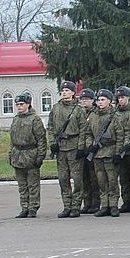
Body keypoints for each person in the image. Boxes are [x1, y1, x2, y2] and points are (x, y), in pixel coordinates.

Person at [47, 80, 89, 218]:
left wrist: (81, 147)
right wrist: (52, 143)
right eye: (62, 90)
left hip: (74, 145)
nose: (64, 92)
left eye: (67, 90)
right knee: (63, 178)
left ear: (73, 92)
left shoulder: (79, 109)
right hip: (61, 147)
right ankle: (67, 206)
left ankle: (76, 206)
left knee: (77, 179)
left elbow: (84, 129)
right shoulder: (56, 108)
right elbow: (51, 127)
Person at [9, 93, 47, 218]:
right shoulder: (16, 119)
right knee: (22, 185)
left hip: (31, 154)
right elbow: (12, 139)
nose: (19, 107)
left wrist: (41, 156)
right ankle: (24, 207)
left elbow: (41, 139)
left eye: (21, 104)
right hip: (18, 154)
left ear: (28, 104)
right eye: (17, 105)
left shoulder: (35, 119)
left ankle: (33, 207)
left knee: (33, 184)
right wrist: (11, 154)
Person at [89, 89, 125, 217]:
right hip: (97, 154)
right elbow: (88, 133)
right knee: (101, 181)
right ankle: (104, 205)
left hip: (110, 152)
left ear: (109, 101)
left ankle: (113, 205)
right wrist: (91, 146)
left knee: (112, 180)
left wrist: (117, 153)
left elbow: (120, 136)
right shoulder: (93, 116)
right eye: (98, 100)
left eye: (103, 100)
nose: (100, 102)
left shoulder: (115, 116)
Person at [114, 86, 130, 213]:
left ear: (129, 98)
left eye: (123, 97)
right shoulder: (115, 113)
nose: (121, 100)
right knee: (123, 178)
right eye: (119, 97)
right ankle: (126, 202)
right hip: (119, 149)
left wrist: (128, 143)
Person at [78, 88, 101, 214]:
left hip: (93, 149)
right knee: (84, 178)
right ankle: (87, 203)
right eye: (82, 99)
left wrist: (90, 146)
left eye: (87, 99)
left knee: (94, 178)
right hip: (81, 149)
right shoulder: (79, 112)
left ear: (93, 100)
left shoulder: (96, 113)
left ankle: (96, 203)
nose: (84, 101)